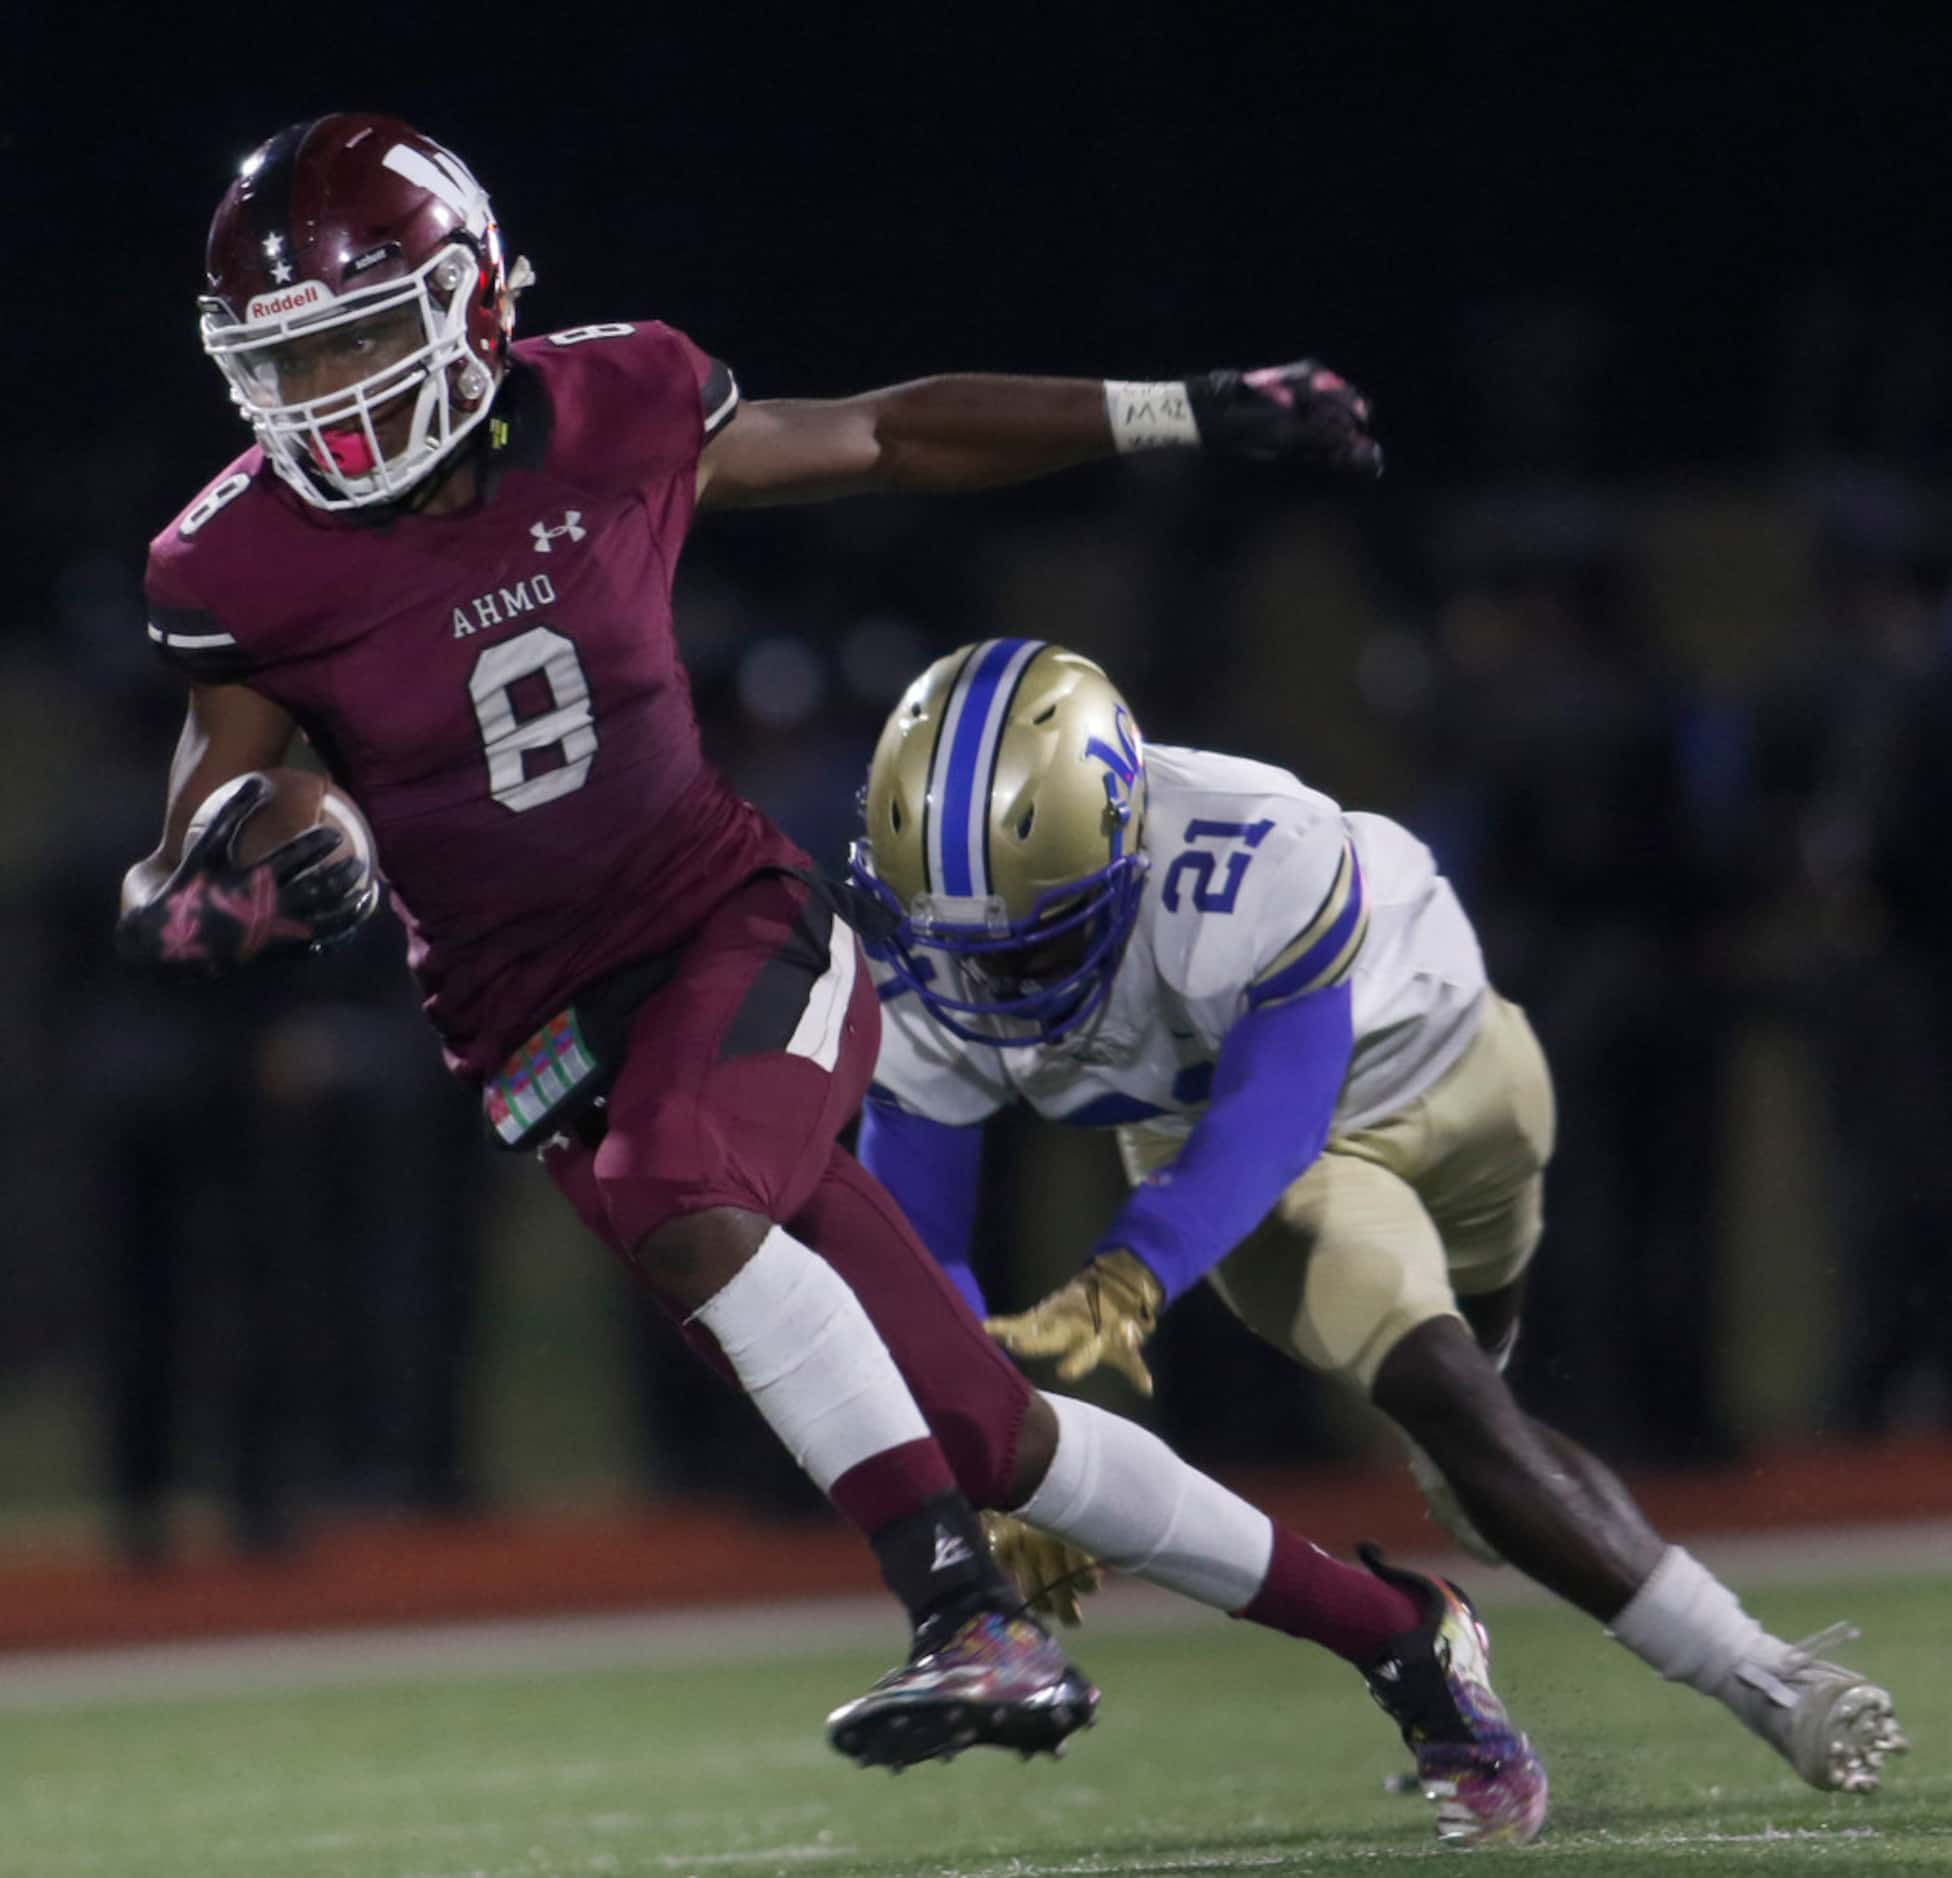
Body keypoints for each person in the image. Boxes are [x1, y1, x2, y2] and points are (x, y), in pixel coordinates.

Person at [115, 114, 1544, 1847]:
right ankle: (1406, 1636)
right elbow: (211, 805)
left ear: (473, 299)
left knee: (678, 1184)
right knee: (1002, 1433)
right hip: (527, 1026)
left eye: (359, 330)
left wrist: (1178, 407)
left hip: (729, 927)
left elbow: (883, 430)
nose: (334, 388)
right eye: (294, 356)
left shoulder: (617, 401)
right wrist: (228, 874)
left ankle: (966, 1616)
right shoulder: (231, 557)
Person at [849, 637, 1910, 1799]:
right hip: (1218, 1145)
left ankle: (1488, 1471)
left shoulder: (1251, 843)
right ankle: (1758, 1675)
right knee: (1441, 1387)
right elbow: (913, 1252)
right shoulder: (918, 960)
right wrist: (987, 1478)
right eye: (966, 948)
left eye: (1038, 938)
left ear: (1125, 836)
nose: (994, 988)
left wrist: (1134, 1271)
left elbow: (1281, 1104)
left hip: (1444, 1077)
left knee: (1481, 1397)